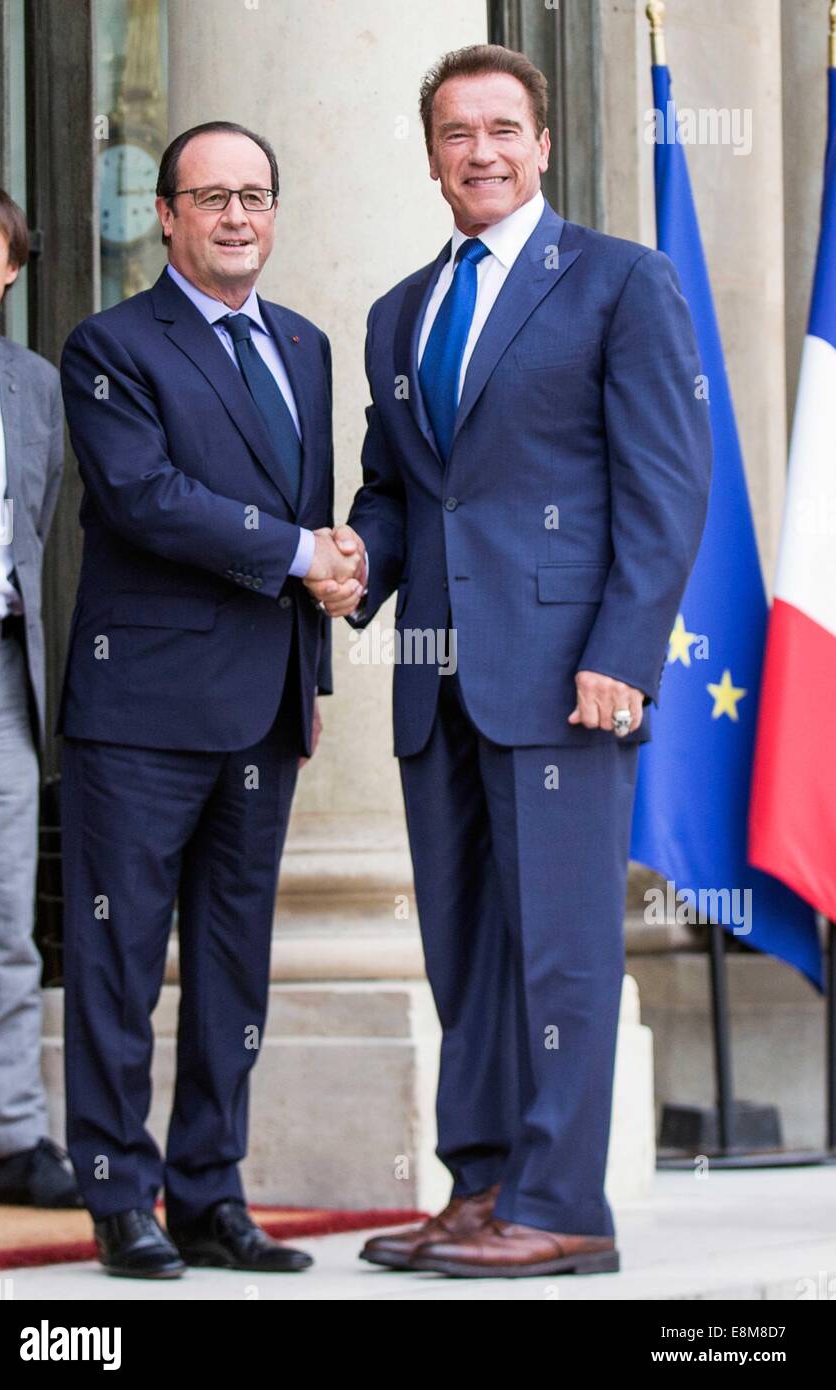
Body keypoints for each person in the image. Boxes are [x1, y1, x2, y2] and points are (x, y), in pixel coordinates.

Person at [310, 45, 712, 1278]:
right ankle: (479, 1187)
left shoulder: (617, 283)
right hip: (436, 682)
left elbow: (665, 486)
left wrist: (622, 654)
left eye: (501, 129)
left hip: (565, 682)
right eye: (453, 132)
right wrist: (353, 558)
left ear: (540, 144)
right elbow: (399, 492)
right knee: (464, 946)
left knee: (562, 948)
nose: (478, 152)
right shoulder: (398, 311)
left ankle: (562, 1205)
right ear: (428, 151)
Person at [58, 122, 360, 1279]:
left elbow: (311, 503)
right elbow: (146, 498)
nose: (237, 216)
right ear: (168, 217)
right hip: (139, 714)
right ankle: (119, 1198)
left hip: (264, 710)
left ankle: (210, 1193)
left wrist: (312, 677)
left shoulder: (306, 344)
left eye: (256, 196)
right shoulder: (110, 345)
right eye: (212, 197)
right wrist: (298, 550)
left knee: (233, 968)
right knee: (118, 965)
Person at [0, 179, 78, 1209]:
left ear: (11, 267)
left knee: (3, 915)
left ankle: (14, 1139)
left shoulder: (38, 388)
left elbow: (38, 532)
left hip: (0, 669)